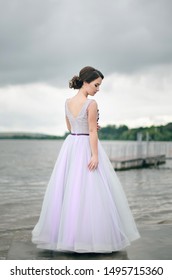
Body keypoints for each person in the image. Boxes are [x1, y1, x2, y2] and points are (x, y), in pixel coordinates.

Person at [32, 66, 140, 253]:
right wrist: (95, 155)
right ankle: (88, 238)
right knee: (90, 190)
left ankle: (67, 237)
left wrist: (85, 125)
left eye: (99, 86)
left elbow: (69, 126)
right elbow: (91, 131)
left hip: (71, 144)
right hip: (84, 146)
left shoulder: (67, 102)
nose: (98, 89)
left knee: (70, 190)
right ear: (86, 82)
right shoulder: (91, 104)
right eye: (96, 85)